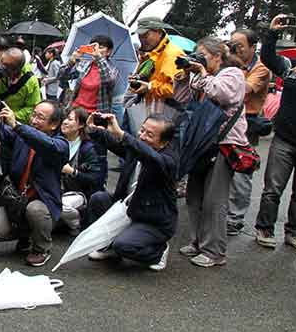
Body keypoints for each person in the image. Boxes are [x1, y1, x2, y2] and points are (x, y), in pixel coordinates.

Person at [180, 37, 247, 268]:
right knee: (194, 194)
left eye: (203, 55)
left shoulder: (233, 74)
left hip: (223, 143)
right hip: (202, 143)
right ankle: (197, 241)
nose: (200, 59)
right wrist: (191, 72)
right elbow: (194, 98)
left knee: (214, 199)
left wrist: (202, 73)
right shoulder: (206, 74)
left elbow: (223, 95)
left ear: (218, 56)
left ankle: (214, 251)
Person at [254, 15, 296, 253]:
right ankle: (264, 228)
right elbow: (268, 58)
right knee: (273, 189)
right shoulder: (294, 65)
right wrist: (272, 33)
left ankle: (295, 233)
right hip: (285, 139)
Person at [87, 112, 179, 272]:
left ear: (164, 143)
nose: (142, 136)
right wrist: (94, 130)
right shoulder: (137, 148)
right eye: (142, 130)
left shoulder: (167, 161)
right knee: (98, 199)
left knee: (124, 245)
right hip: (128, 208)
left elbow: (149, 156)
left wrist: (122, 134)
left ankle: (158, 251)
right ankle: (108, 246)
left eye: (149, 134)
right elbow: (116, 144)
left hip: (152, 221)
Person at [0, 99, 68, 267]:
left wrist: (17, 126)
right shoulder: (22, 134)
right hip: (16, 199)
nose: (34, 120)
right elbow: (0, 132)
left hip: (41, 202)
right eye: (33, 115)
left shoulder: (60, 145)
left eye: (40, 117)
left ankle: (41, 248)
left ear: (54, 124)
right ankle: (26, 236)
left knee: (35, 210)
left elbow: (46, 144)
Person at [226, 29, 270, 235]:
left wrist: (232, 67)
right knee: (221, 169)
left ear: (253, 47)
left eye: (239, 45)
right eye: (232, 44)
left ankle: (235, 218)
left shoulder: (261, 69)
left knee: (241, 173)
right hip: (226, 122)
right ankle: (221, 212)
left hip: (246, 125)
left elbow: (243, 89)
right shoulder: (231, 63)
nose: (235, 49)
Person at [58, 107, 106, 234]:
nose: (65, 122)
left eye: (70, 119)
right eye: (64, 118)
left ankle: (77, 223)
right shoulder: (57, 141)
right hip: (58, 189)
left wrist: (73, 172)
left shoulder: (88, 148)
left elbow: (95, 179)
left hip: (80, 193)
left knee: (61, 206)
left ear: (81, 125)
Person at [129, 17, 184, 114]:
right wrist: (136, 82)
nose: (142, 40)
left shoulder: (172, 54)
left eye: (145, 35)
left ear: (158, 32)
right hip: (146, 111)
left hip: (165, 116)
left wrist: (150, 87)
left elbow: (177, 89)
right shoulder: (149, 54)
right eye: (140, 36)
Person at [0, 47, 42, 124]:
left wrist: (11, 115)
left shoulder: (30, 81)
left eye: (6, 67)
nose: (2, 68)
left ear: (16, 70)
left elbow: (32, 108)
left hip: (16, 124)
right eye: (2, 63)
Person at [58, 35, 119, 114]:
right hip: (75, 110)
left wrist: (99, 57)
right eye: (93, 47)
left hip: (95, 115)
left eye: (100, 47)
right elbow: (62, 77)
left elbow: (108, 80)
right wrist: (71, 62)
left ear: (109, 52)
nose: (95, 50)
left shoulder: (112, 70)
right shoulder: (85, 65)